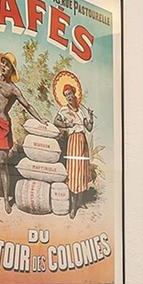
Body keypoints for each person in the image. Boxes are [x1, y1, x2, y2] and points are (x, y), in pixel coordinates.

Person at [0, 51, 47, 213]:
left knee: (3, 162)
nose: (4, 66)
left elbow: (27, 105)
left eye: (7, 65)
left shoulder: (13, 89)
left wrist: (40, 119)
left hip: (2, 125)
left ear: (12, 70)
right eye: (3, 63)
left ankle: (6, 199)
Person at [51, 70, 94, 218]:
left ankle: (80, 202)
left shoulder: (81, 111)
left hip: (82, 142)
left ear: (74, 94)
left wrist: (90, 117)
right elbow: (55, 121)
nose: (69, 97)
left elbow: (89, 128)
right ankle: (73, 207)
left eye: (70, 94)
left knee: (81, 172)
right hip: (73, 141)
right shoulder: (64, 110)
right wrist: (66, 125)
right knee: (74, 172)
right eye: (66, 95)